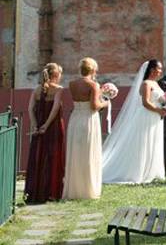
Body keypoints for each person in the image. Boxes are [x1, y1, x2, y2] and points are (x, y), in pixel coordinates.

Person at [102, 59, 166, 184]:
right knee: (144, 143)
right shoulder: (146, 84)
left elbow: (159, 99)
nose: (160, 71)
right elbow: (145, 103)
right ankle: (139, 172)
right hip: (147, 116)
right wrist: (158, 111)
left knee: (154, 142)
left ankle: (152, 171)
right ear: (152, 70)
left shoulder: (156, 84)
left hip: (155, 118)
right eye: (158, 69)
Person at [63, 58, 109, 200]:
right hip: (89, 120)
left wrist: (99, 92)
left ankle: (74, 189)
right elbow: (94, 106)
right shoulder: (93, 84)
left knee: (75, 153)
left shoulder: (72, 84)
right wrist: (105, 103)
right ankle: (88, 190)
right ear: (93, 70)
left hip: (75, 119)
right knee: (89, 153)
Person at [24, 63, 66, 203]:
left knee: (38, 157)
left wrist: (36, 125)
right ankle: (51, 193)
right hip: (52, 128)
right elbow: (54, 110)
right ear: (56, 75)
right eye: (60, 74)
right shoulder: (59, 90)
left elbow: (30, 109)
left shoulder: (36, 90)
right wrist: (46, 126)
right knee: (53, 157)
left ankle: (35, 192)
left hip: (38, 128)